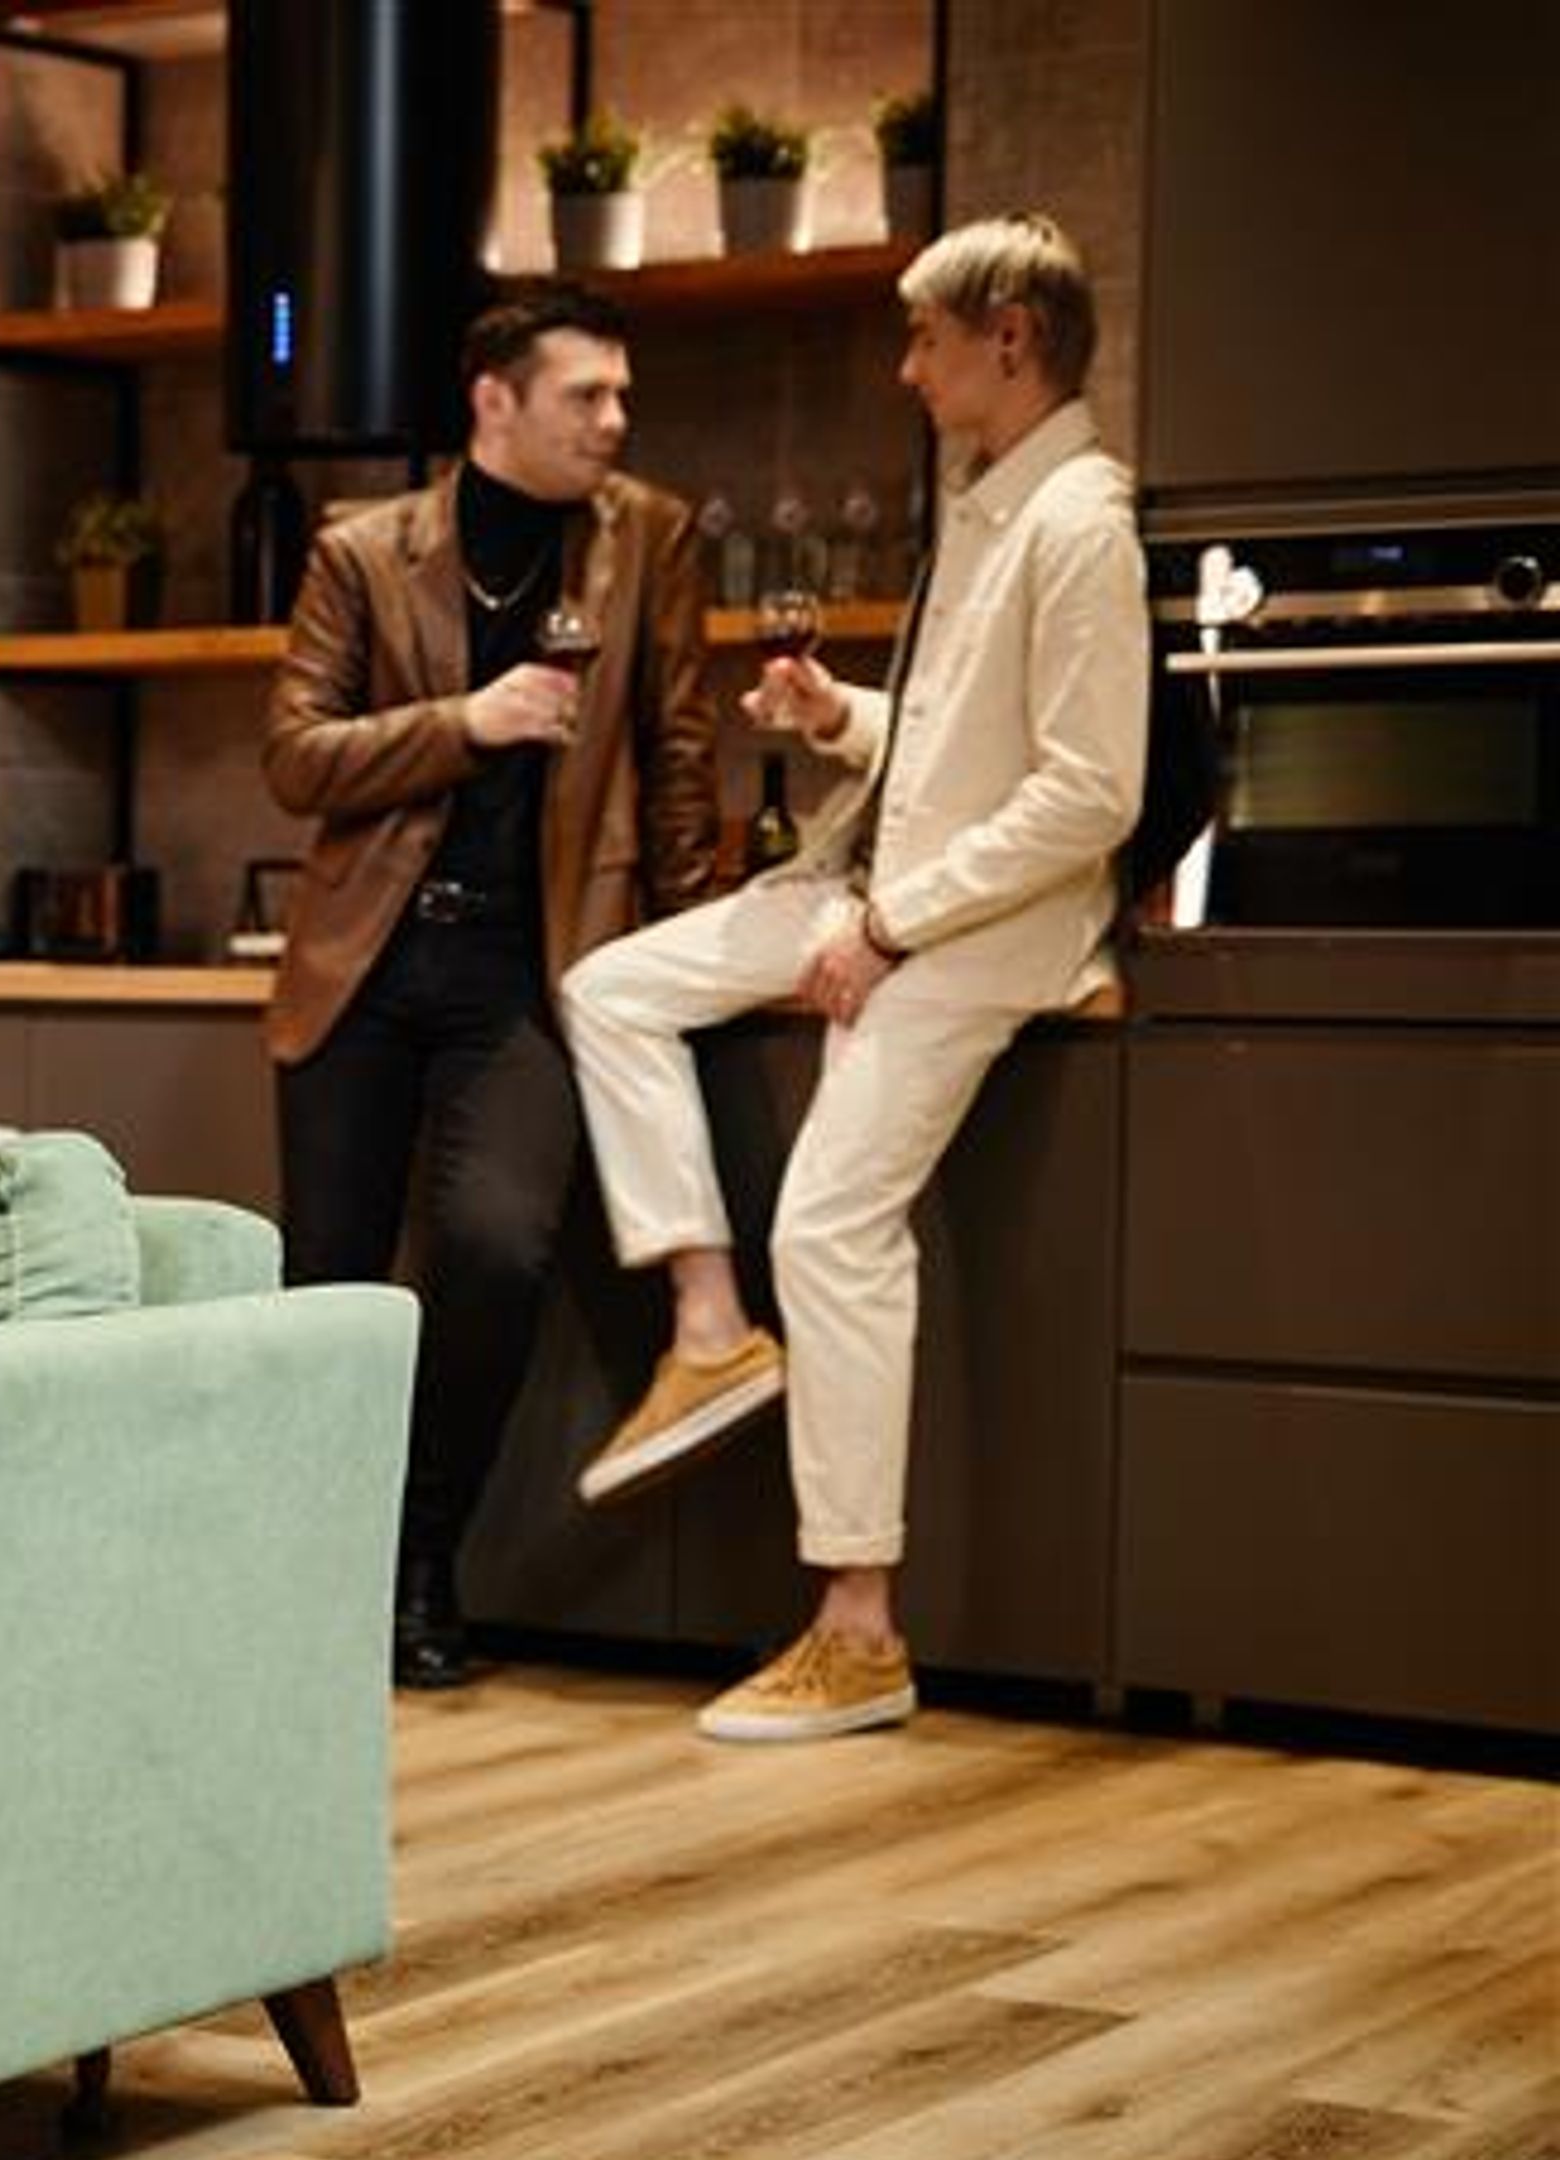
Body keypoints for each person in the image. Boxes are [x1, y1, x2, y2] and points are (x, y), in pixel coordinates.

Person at [558, 214, 1144, 1742]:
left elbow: (1090, 793)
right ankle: (706, 1329)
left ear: (1009, 335)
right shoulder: (995, 504)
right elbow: (966, 749)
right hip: (880, 885)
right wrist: (842, 722)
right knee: (610, 988)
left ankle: (858, 1628)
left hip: (969, 932)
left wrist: (890, 928)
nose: (905, 368)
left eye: (926, 340)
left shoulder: (1082, 523)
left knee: (829, 1221)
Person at [260, 284, 719, 1690]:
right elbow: (296, 756)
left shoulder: (649, 538)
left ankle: (417, 1562)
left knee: (495, 1252)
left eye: (622, 396)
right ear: (494, 401)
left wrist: (701, 941)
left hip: (538, 970)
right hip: (365, 963)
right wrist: (467, 722)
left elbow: (681, 743)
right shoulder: (363, 551)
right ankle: (302, 1592)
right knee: (327, 1294)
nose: (616, 421)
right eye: (588, 395)